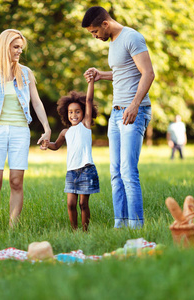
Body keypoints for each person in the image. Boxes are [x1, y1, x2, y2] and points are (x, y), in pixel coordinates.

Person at [82, 6, 155, 229]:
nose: (95, 37)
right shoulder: (113, 42)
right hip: (116, 114)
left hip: (134, 111)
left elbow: (148, 73)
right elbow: (124, 72)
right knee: (115, 172)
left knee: (128, 171)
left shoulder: (132, 37)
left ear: (105, 23)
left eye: (95, 32)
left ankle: (136, 224)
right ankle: (120, 224)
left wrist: (134, 105)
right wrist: (100, 74)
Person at [0, 29, 51, 227]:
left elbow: (37, 102)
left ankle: (13, 229)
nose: (19, 51)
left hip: (20, 131)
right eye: (15, 47)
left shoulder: (26, 73)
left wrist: (47, 128)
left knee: (16, 181)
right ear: (4, 46)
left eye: (21, 48)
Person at [41, 75, 99, 231]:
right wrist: (47, 144)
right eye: (70, 112)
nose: (74, 115)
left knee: (83, 203)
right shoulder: (65, 132)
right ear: (66, 114)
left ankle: (85, 231)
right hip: (72, 172)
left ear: (83, 113)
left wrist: (91, 82)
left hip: (86, 170)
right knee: (71, 203)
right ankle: (74, 231)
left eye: (77, 112)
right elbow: (56, 145)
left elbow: (88, 100)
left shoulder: (86, 125)